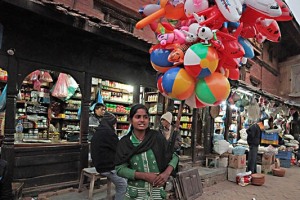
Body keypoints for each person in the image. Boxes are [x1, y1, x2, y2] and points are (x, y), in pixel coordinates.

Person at [115, 104, 179, 199]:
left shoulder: (157, 137)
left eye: (145, 117)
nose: (142, 120)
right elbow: (119, 169)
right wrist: (144, 176)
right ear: (130, 120)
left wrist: (166, 173)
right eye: (138, 117)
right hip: (135, 195)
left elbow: (174, 156)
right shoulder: (125, 143)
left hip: (157, 194)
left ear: (149, 120)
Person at [91, 112, 127, 200]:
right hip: (107, 167)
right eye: (114, 124)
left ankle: (119, 196)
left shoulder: (99, 131)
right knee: (123, 185)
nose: (115, 126)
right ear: (111, 123)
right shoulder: (108, 133)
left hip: (99, 164)